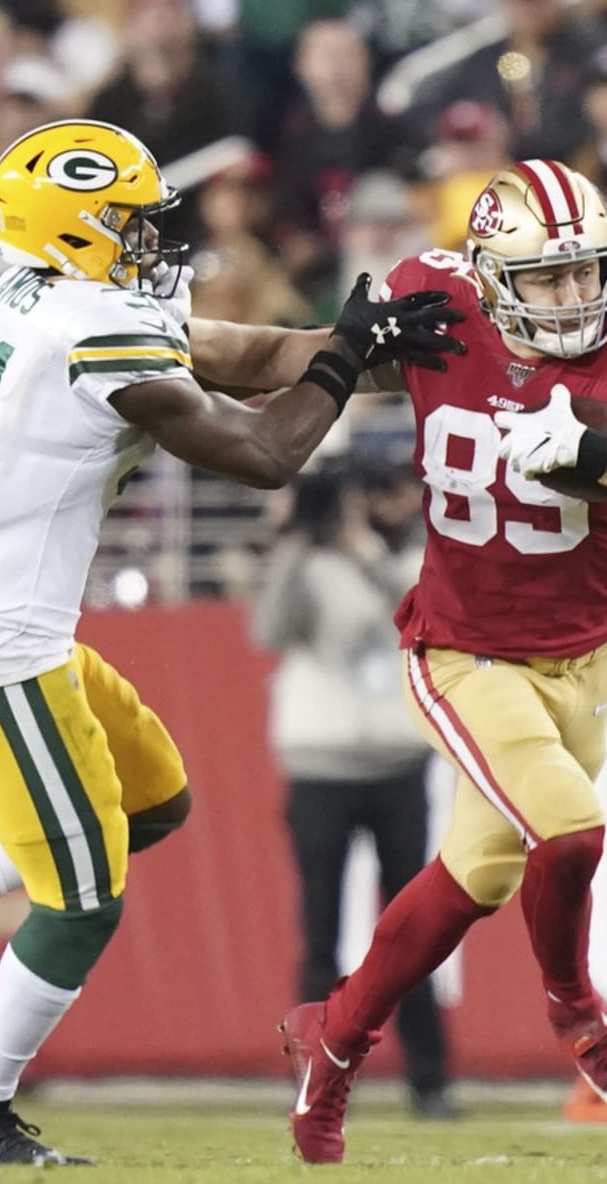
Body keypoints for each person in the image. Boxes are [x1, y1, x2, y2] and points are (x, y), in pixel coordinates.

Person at [0, 118, 463, 1166]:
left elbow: (250, 355)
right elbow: (267, 453)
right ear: (75, 231)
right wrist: (350, 354)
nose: (150, 242)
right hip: (0, 655)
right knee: (83, 905)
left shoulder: (35, 293)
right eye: (126, 223)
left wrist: (367, 351)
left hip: (9, 628)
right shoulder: (88, 335)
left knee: (152, 804)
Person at [195, 158, 607, 1163]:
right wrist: (144, 342)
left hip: (586, 658)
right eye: (549, 278)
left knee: (474, 873)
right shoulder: (438, 306)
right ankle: (582, 1020)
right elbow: (276, 356)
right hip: (463, 651)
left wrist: (596, 456)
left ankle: (335, 1041)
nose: (578, 297)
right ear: (490, 276)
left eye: (590, 273)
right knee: (570, 830)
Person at [250, 462, 456, 1120]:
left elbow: (410, 614)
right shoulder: (304, 566)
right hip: (321, 764)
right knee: (321, 935)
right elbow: (269, 630)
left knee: (413, 929)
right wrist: (291, 547)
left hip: (396, 760)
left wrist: (362, 548)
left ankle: (431, 1078)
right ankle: (315, 1080)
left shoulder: (405, 558)